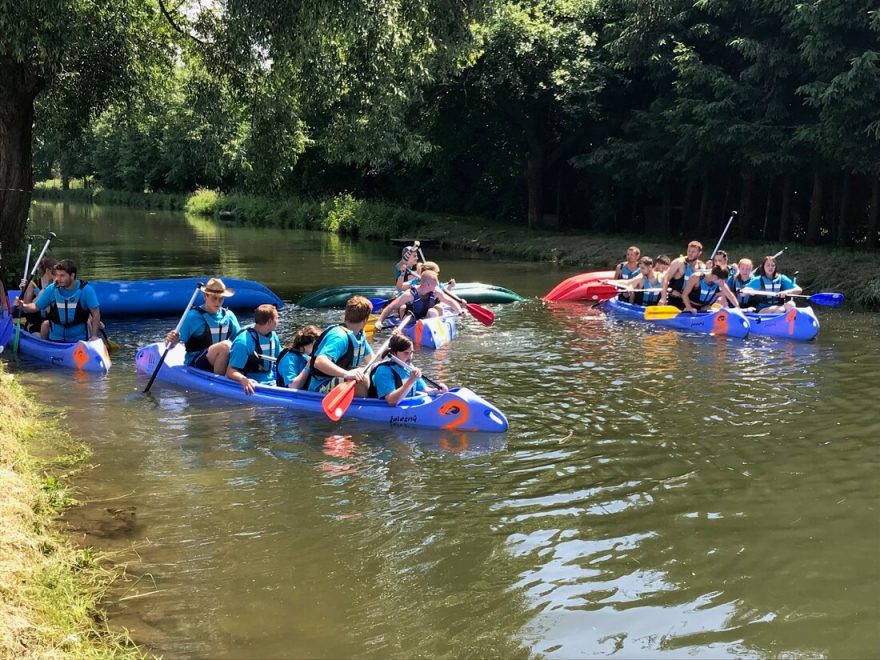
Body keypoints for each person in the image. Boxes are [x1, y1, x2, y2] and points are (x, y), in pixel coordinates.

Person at [164, 277, 241, 374]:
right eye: (214, 298)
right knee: (225, 346)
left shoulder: (229, 315)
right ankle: (219, 382)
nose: (218, 302)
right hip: (196, 363)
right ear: (205, 296)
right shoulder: (192, 317)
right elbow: (170, 345)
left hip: (222, 359)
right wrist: (171, 340)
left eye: (221, 298)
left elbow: (240, 341)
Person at [15, 259, 101, 342]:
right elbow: (36, 306)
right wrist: (23, 306)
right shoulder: (52, 289)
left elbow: (96, 313)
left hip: (79, 340)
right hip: (56, 339)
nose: (58, 279)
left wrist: (94, 336)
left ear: (72, 275)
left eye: (62, 275)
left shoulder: (86, 290)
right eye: (57, 275)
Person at [307, 296, 375, 395]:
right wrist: (347, 374)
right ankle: (362, 406)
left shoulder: (359, 335)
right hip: (322, 386)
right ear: (366, 319)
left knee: (377, 372)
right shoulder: (339, 337)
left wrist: (392, 347)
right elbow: (319, 362)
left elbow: (372, 361)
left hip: (341, 382)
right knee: (362, 377)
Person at [368, 334, 448, 406]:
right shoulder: (383, 371)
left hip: (407, 404)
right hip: (387, 410)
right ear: (394, 353)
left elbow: (424, 390)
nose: (410, 357)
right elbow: (392, 401)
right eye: (406, 353)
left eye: (411, 353)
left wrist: (437, 391)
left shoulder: (409, 367)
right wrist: (411, 380)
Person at [374, 270, 463, 330]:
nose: (437, 286)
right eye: (435, 284)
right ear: (427, 285)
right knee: (403, 309)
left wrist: (460, 310)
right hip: (413, 320)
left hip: (429, 318)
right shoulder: (409, 294)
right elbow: (391, 306)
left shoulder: (436, 291)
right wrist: (379, 321)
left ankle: (435, 330)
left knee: (434, 310)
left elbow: (450, 301)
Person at [227, 304, 281, 394]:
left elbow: (280, 357)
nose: (279, 321)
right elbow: (230, 371)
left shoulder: (273, 335)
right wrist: (244, 380)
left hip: (271, 381)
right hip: (255, 384)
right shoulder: (243, 342)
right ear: (270, 321)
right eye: (277, 318)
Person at [659, 241, 705, 309]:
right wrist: (663, 298)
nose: (690, 253)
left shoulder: (702, 267)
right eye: (689, 251)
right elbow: (665, 278)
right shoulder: (679, 262)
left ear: (699, 253)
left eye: (693, 252)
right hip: (674, 298)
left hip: (688, 300)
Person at [19, 256, 57, 333]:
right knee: (43, 293)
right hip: (35, 320)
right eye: (55, 272)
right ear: (48, 271)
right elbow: (26, 308)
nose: (58, 275)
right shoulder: (33, 284)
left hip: (50, 320)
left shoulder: (56, 284)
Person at [276, 324, 320, 388]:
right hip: (289, 396)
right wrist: (308, 366)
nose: (318, 348)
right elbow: (292, 386)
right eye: (316, 344)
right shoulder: (289, 359)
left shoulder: (305, 355)